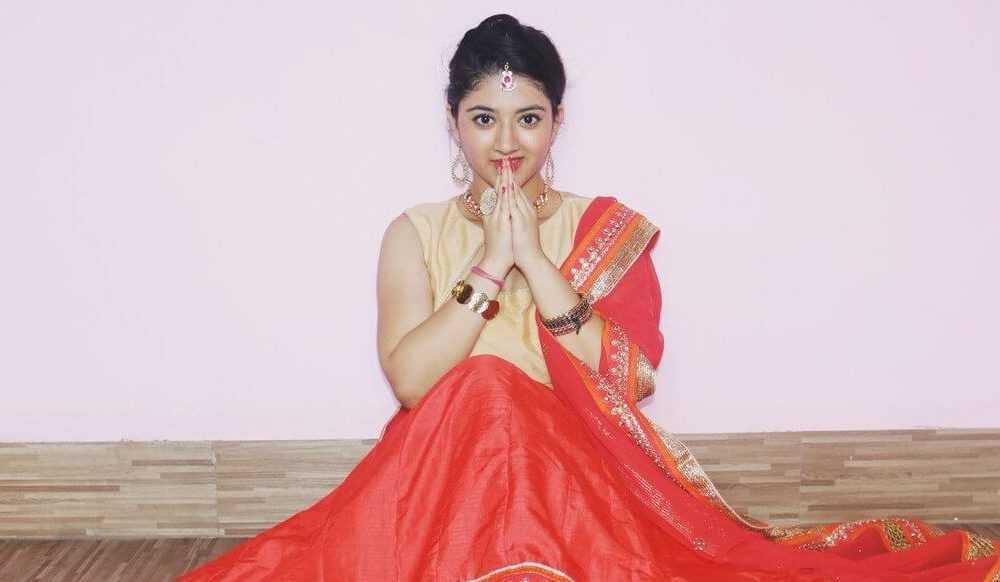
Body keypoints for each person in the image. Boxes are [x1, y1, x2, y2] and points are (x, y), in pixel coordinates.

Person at [178, 14, 999, 581]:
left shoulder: (606, 229)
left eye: (528, 118)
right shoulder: (414, 233)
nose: (507, 143)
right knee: (484, 388)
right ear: (452, 120)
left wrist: (537, 262)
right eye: (484, 118)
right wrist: (490, 266)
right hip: (436, 479)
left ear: (558, 120)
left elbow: (630, 379)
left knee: (509, 403)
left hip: (575, 481)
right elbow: (413, 382)